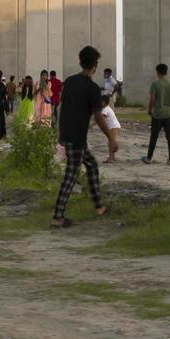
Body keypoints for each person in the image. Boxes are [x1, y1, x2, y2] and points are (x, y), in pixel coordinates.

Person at [50, 45, 109, 229]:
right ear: (95, 65)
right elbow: (99, 116)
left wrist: (61, 134)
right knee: (70, 175)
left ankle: (99, 206)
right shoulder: (92, 88)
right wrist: (111, 138)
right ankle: (58, 217)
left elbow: (61, 109)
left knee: (91, 164)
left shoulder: (69, 81)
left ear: (80, 62)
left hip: (69, 133)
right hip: (76, 137)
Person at [143, 63, 170, 164]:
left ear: (157, 72)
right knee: (169, 137)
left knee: (154, 137)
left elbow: (152, 99)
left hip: (157, 114)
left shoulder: (155, 84)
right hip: (168, 114)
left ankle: (149, 158)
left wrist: (149, 110)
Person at [98, 93, 121, 162]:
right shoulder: (106, 108)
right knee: (111, 142)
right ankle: (112, 157)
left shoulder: (105, 109)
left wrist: (93, 124)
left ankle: (111, 158)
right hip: (114, 127)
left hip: (114, 127)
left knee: (111, 142)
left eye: (100, 102)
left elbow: (102, 119)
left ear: (104, 102)